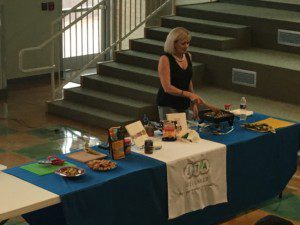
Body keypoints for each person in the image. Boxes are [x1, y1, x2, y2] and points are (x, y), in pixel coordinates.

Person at [156, 27, 205, 121]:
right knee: (173, 134)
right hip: (168, 103)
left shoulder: (188, 56)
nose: (186, 46)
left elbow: (188, 80)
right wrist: (189, 95)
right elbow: (167, 88)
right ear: (173, 43)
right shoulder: (165, 59)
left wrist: (193, 102)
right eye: (183, 43)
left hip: (183, 103)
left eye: (188, 43)